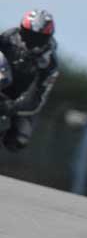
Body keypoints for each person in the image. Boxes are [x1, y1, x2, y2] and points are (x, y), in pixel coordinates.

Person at [0, 9, 59, 152]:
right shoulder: (8, 37)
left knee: (18, 140)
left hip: (19, 98)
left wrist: (13, 107)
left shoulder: (49, 62)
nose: (30, 41)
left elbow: (39, 97)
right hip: (2, 80)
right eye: (28, 34)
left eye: (38, 38)